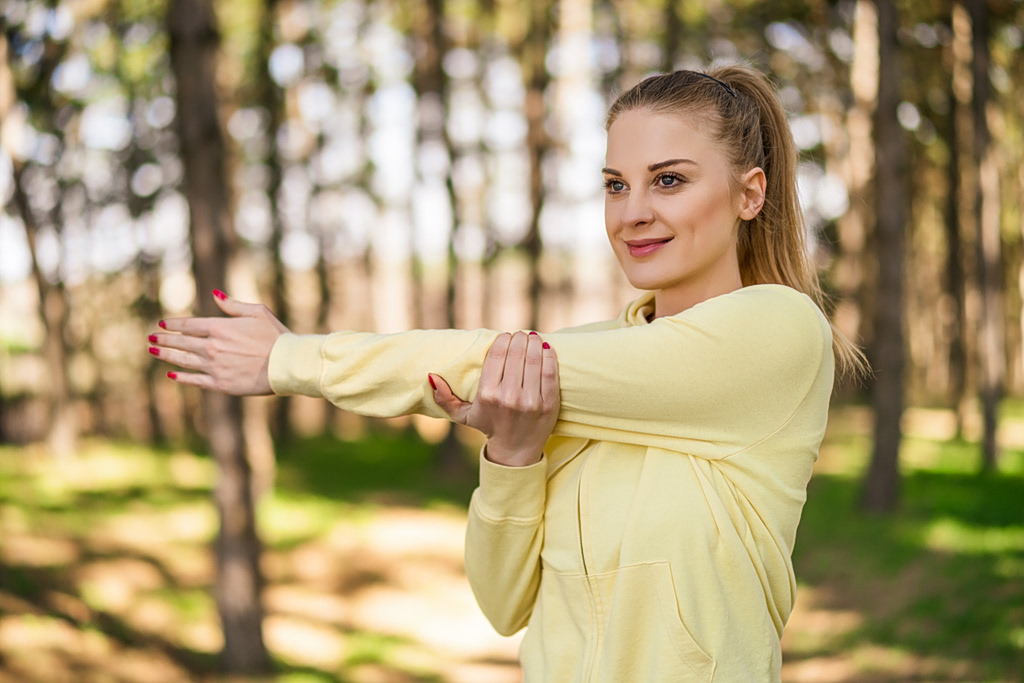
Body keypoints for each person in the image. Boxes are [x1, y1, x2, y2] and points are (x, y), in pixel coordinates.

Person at [149, 65, 865, 681]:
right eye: (616, 185)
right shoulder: (589, 355)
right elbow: (505, 603)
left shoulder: (778, 330)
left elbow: (479, 359)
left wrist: (290, 360)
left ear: (750, 193)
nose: (634, 213)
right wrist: (514, 453)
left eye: (669, 181)